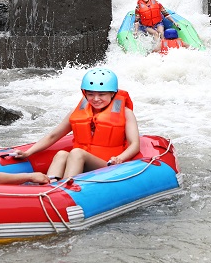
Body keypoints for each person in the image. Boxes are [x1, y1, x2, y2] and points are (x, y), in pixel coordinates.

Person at [12, 68, 140, 180]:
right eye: (90, 94)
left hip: (106, 166)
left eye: (102, 94)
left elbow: (134, 145)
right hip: (78, 163)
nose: (96, 99)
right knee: (62, 154)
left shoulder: (126, 113)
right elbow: (53, 136)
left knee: (77, 152)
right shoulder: (77, 112)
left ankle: (66, 186)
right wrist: (28, 153)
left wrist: (120, 158)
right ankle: (51, 184)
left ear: (112, 93)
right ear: (84, 93)